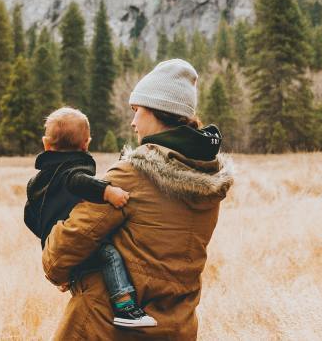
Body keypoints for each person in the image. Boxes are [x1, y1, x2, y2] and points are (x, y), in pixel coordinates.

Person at [43, 59, 234, 339]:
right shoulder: (208, 182)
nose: (133, 122)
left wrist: (62, 269)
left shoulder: (132, 175)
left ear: (157, 111)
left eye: (137, 110)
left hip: (104, 326)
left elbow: (64, 248)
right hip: (176, 328)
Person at [24, 107, 158, 328]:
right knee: (109, 255)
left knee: (86, 264)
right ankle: (124, 306)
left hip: (53, 243)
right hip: (70, 239)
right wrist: (108, 192)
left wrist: (47, 233)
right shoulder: (72, 170)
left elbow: (29, 216)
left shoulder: (40, 180)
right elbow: (78, 181)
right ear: (86, 143)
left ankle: (70, 274)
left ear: (46, 145)